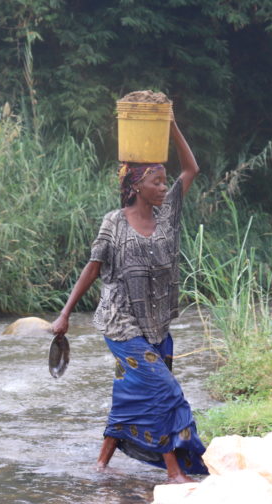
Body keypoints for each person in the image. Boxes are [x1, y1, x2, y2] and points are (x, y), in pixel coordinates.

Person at [51, 116, 207, 483]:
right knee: (164, 390)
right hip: (121, 325)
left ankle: (101, 465)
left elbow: (192, 168)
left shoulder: (168, 216)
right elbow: (92, 268)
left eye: (165, 182)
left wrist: (170, 124)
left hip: (156, 325)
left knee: (130, 395)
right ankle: (174, 471)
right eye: (157, 181)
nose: (164, 187)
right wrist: (65, 314)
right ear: (137, 186)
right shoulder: (114, 222)